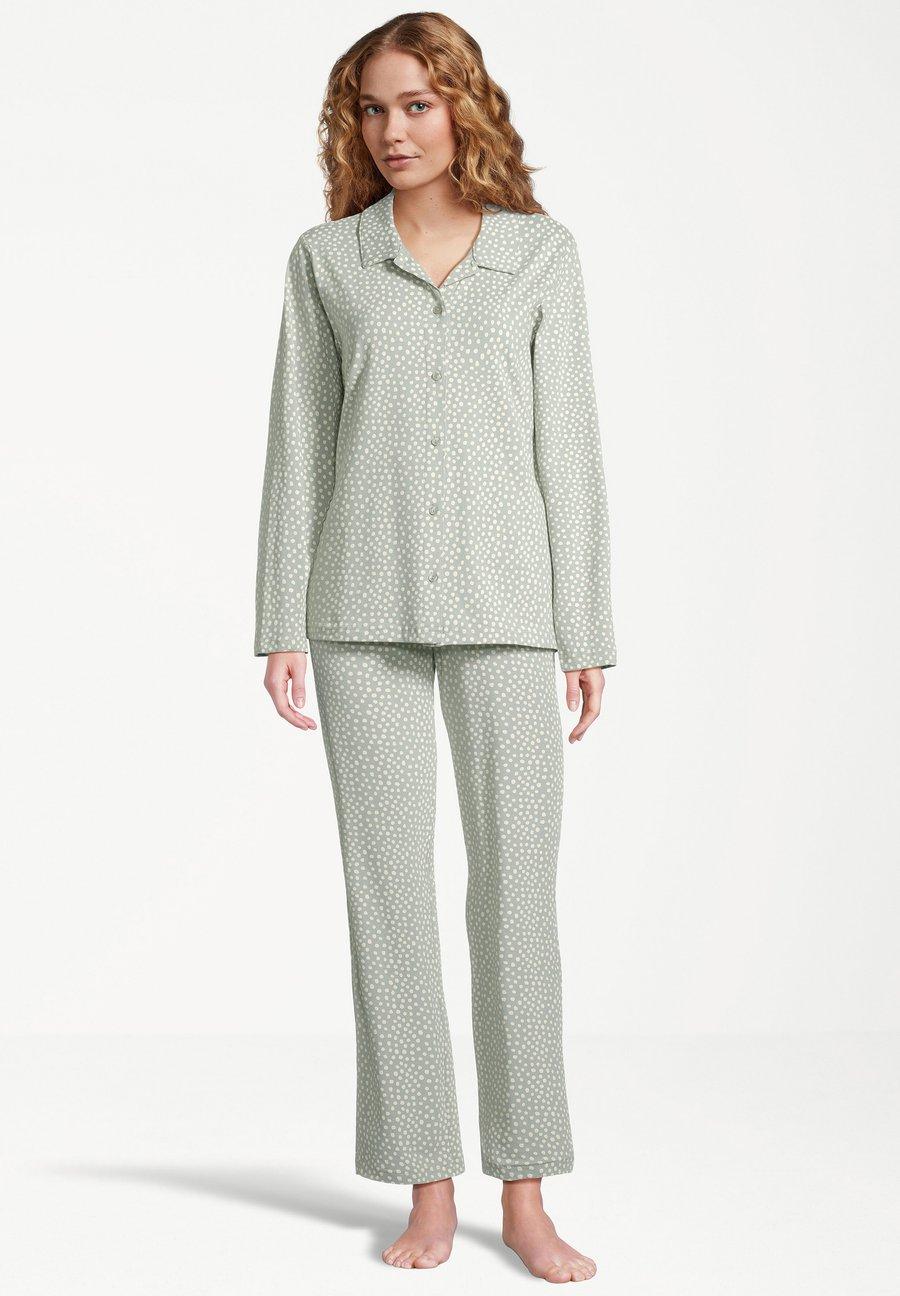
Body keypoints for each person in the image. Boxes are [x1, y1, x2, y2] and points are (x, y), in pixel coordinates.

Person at [254, 12, 615, 1284]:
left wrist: (587, 629)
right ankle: (426, 1187)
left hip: (514, 612)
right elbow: (299, 441)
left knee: (518, 900)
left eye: (414, 103)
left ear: (463, 105)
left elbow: (570, 448)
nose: (392, 130)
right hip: (359, 613)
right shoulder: (329, 261)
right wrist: (279, 621)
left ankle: (528, 1192)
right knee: (389, 902)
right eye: (370, 108)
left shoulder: (540, 255)